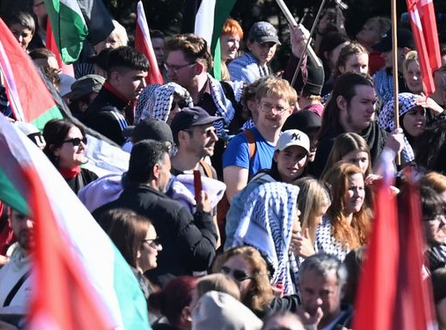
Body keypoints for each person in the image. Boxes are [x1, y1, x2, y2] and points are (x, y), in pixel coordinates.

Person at [101, 140, 219, 278]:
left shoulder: (105, 212)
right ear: (156, 171)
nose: (170, 177)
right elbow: (202, 257)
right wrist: (204, 216)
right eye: (168, 170)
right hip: (165, 290)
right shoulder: (174, 212)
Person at [221, 75, 296, 199]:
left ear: (290, 111)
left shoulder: (289, 144)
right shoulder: (241, 145)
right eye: (266, 105)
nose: (272, 112)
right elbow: (235, 198)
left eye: (279, 108)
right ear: (258, 106)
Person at [82, 46, 151, 144]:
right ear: (116, 78)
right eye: (137, 78)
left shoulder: (121, 107)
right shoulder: (109, 117)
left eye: (144, 78)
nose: (144, 85)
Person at [314, 163, 371, 260]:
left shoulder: (363, 223)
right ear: (336, 191)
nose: (358, 194)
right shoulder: (325, 229)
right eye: (351, 188)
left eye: (361, 188)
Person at [41, 120, 100, 194]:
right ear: (55, 149)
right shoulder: (42, 181)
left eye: (84, 140)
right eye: (76, 141)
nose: (83, 147)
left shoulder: (90, 179)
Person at [228, 22, 280, 89]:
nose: (267, 50)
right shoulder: (242, 67)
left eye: (271, 45)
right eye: (262, 45)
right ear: (249, 44)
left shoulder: (263, 66)